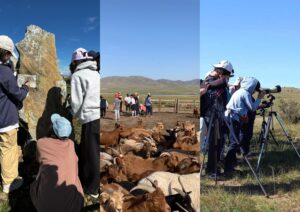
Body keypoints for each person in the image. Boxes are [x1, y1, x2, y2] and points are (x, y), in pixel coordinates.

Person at [30, 114, 84, 212]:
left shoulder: (41, 143)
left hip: (45, 208)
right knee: (75, 177)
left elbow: (39, 161)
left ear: (52, 129)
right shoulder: (71, 144)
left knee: (39, 177)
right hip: (73, 207)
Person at [0, 35, 29, 193]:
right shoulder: (3, 72)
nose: (10, 57)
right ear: (4, 53)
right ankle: (8, 182)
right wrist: (26, 88)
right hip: (5, 119)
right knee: (8, 150)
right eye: (9, 54)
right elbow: (17, 94)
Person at [69, 47, 100, 197]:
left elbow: (76, 102)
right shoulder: (96, 73)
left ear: (75, 62)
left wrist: (72, 113)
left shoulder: (78, 75)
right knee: (94, 151)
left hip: (90, 118)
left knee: (91, 153)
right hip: (98, 116)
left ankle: (92, 188)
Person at [224, 77, 265, 175]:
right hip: (233, 118)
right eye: (255, 88)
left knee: (234, 141)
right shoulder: (245, 93)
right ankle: (228, 167)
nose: (255, 91)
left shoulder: (240, 91)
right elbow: (252, 108)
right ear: (252, 86)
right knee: (234, 142)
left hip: (231, 117)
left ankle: (231, 164)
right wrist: (259, 98)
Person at [200, 60, 233, 177]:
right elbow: (221, 82)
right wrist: (220, 81)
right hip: (212, 115)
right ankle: (211, 171)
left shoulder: (213, 81)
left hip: (217, 115)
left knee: (217, 143)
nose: (227, 77)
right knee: (214, 143)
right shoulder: (210, 80)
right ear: (221, 71)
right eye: (227, 74)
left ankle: (214, 169)